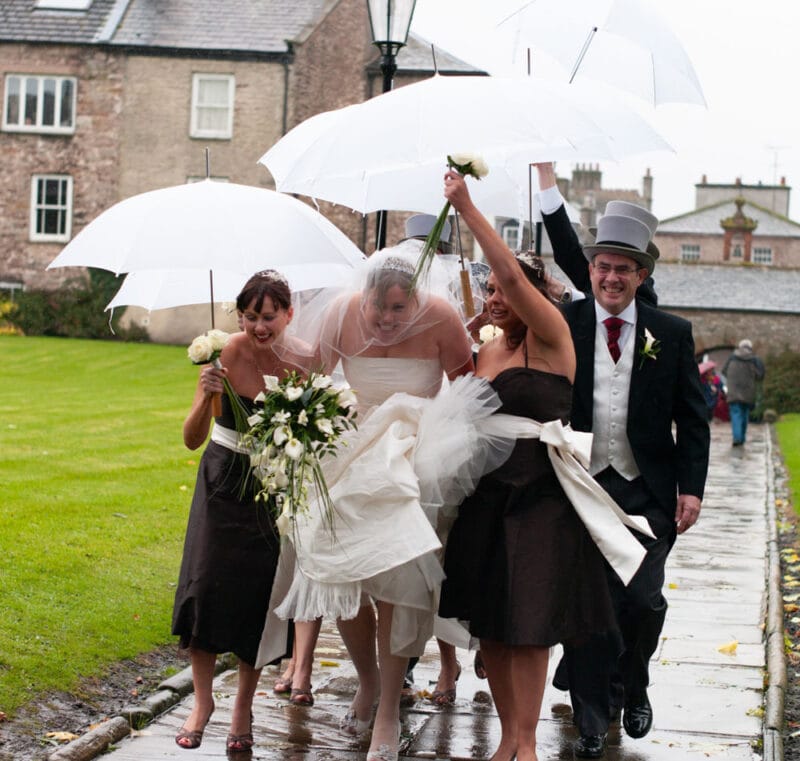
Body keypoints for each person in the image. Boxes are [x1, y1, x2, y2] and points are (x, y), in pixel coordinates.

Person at [438, 170, 658, 761]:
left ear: (534, 297)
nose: (495, 296)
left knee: (531, 620)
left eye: (504, 290)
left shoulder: (554, 335)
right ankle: (508, 738)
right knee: (493, 622)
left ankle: (527, 744)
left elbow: (509, 270)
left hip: (541, 496)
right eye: (487, 292)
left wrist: (466, 206)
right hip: (486, 497)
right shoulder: (484, 346)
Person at [260, 244, 508, 761]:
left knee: (397, 577)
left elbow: (466, 392)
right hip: (354, 445)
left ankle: (390, 709)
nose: (390, 320)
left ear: (417, 298)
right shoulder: (342, 313)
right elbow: (310, 378)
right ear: (365, 296)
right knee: (342, 572)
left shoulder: (440, 317)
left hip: (417, 453)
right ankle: (367, 681)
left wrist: (453, 452)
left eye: (401, 309)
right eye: (382, 309)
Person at [535, 163, 710, 757]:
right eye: (602, 266)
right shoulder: (566, 323)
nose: (611, 277)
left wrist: (691, 489)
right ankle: (590, 721)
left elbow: (693, 417)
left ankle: (633, 682)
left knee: (642, 601)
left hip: (647, 492)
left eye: (623, 268)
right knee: (588, 604)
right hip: (583, 487)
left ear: (641, 275)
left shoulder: (672, 333)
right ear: (590, 271)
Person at [172, 270, 311, 753]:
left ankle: (242, 707)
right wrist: (208, 392)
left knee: (258, 597)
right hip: (219, 481)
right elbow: (192, 438)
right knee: (205, 587)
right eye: (250, 317)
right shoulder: (224, 353)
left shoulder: (301, 366)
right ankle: (202, 702)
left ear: (288, 314)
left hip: (270, 488)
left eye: (268, 317)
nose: (258, 327)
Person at [722, 339, 766, 446]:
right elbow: (760, 375)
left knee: (736, 414)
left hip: (733, 391)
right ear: (750, 348)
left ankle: (737, 438)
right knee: (745, 414)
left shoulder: (732, 357)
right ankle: (741, 437)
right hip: (748, 391)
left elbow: (724, 371)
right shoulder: (754, 359)